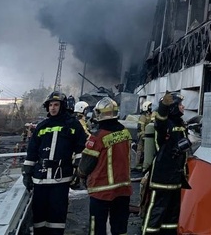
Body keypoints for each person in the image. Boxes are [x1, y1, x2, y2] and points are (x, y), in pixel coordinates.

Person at [22, 91, 88, 235]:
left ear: (62, 106)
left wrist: (78, 171)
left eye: (56, 105)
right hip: (40, 178)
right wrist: (27, 173)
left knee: (57, 215)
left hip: (61, 177)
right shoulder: (42, 126)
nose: (53, 108)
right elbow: (32, 151)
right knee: (39, 215)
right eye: (50, 105)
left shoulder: (73, 125)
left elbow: (80, 150)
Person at [76, 97, 132, 235]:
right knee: (120, 227)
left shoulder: (97, 137)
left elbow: (86, 165)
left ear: (99, 114)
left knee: (97, 228)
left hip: (101, 190)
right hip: (123, 188)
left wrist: (80, 174)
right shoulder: (125, 133)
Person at [142, 91, 190, 234]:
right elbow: (160, 119)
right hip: (162, 177)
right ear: (174, 107)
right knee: (156, 212)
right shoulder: (165, 124)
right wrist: (163, 105)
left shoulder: (180, 123)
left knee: (172, 215)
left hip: (175, 177)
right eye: (180, 104)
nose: (183, 107)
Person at [135, 100, 153, 171]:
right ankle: (138, 166)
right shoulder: (143, 116)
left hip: (147, 136)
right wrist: (143, 136)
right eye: (149, 106)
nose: (151, 108)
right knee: (140, 151)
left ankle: (144, 165)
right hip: (142, 136)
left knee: (146, 151)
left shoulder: (150, 115)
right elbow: (140, 128)